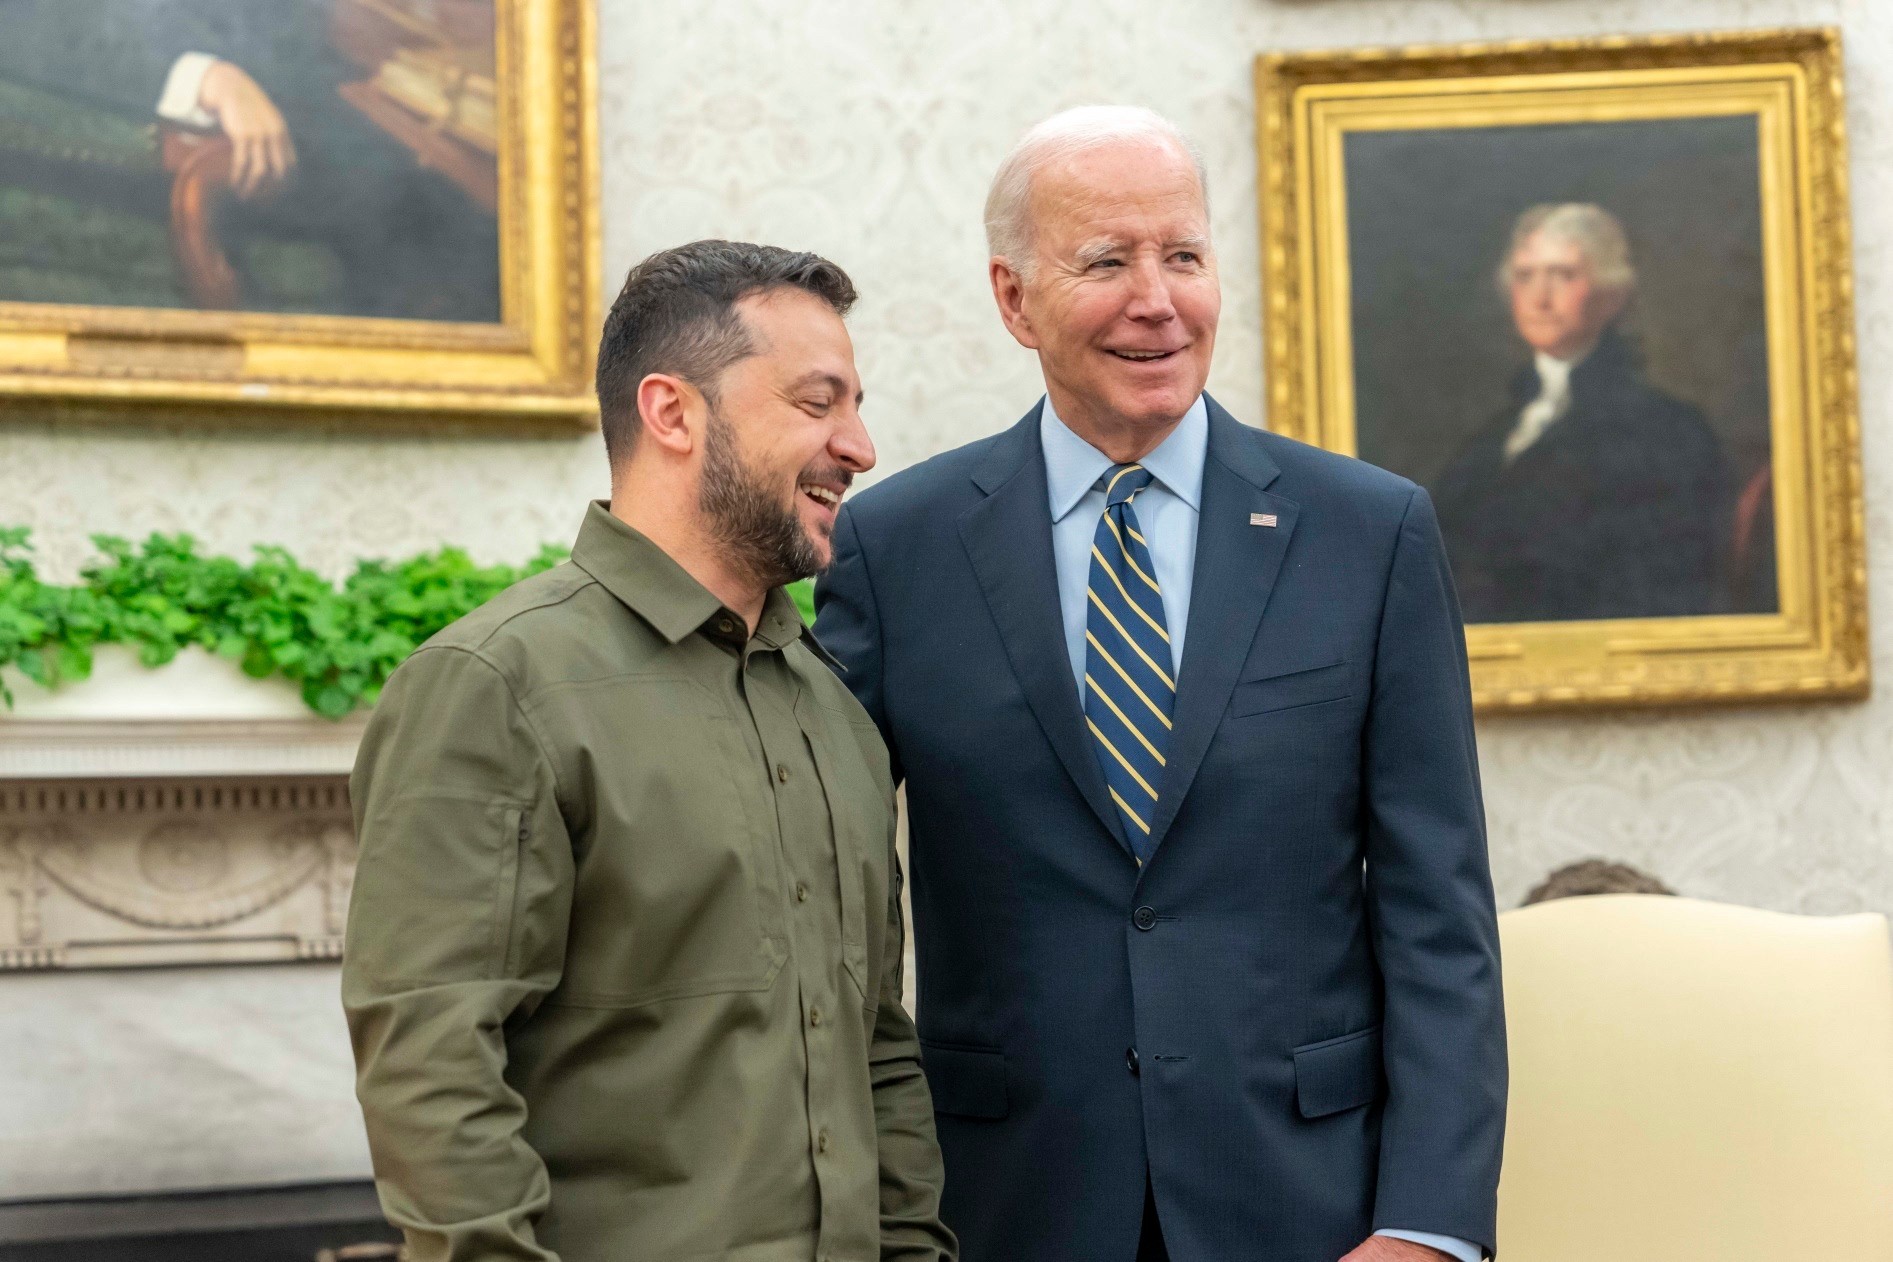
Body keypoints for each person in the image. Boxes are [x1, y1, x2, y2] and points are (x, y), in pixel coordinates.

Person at [815, 107, 1505, 1262]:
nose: (1159, 298)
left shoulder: (1369, 531)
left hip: (1314, 1204)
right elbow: (826, 889)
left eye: (1183, 253)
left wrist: (1428, 1224)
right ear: (1013, 298)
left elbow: (1441, 912)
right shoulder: (896, 546)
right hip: (1004, 1205)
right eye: (1106, 260)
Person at [343, 241, 954, 1262]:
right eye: (818, 403)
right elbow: (433, 1065)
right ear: (672, 412)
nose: (861, 445)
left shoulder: (834, 710)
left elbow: (877, 1047)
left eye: (856, 405)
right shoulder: (496, 685)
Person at [1432, 203, 1732, 623]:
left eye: (1563, 275)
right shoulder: (1494, 436)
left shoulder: (1668, 431)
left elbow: (1662, 590)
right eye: (1524, 276)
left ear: (1613, 295)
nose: (1539, 298)